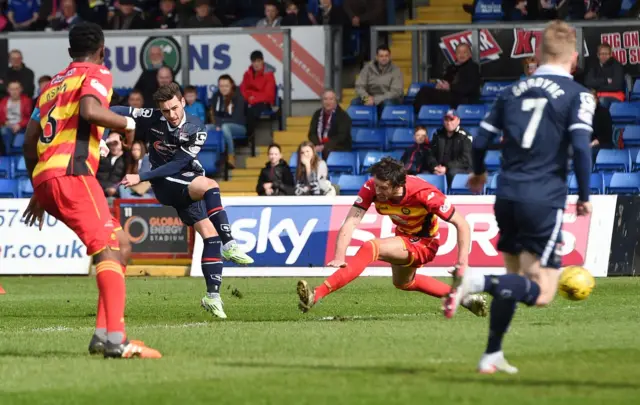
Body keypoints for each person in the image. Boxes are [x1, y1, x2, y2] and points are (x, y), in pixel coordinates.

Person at [450, 21, 594, 374]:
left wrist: (479, 172)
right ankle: (475, 282)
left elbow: (480, 141)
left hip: (507, 195)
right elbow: (580, 147)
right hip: (542, 199)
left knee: (512, 280)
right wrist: (585, 195)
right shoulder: (578, 95)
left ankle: (491, 354)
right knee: (542, 293)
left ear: (539, 54)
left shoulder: (511, 91)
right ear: (573, 58)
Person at [21, 22, 161, 359]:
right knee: (109, 250)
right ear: (102, 49)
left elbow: (29, 142)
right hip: (74, 174)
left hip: (48, 177)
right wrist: (129, 124)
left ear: (69, 52)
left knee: (122, 245)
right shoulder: (97, 72)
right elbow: (90, 110)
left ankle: (102, 335)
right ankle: (117, 341)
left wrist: (40, 188)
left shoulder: (52, 85)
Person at [111, 83, 254, 319]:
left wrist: (140, 175)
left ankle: (212, 296)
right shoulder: (153, 116)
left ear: (183, 103)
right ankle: (230, 244)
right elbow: (120, 111)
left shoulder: (196, 128)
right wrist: (96, 116)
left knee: (210, 236)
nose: (172, 115)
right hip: (164, 183)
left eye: (175, 108)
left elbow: (178, 164)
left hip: (182, 177)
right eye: (166, 111)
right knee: (211, 186)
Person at [297, 157, 487, 315]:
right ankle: (463, 297)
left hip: (424, 243)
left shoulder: (424, 194)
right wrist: (339, 255)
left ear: (397, 185)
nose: (376, 190)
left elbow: (462, 224)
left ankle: (316, 294)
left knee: (371, 247)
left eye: (382, 187)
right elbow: (351, 222)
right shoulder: (372, 186)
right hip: (403, 236)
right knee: (404, 283)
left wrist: (462, 264)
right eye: (376, 185)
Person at [426, 109, 473, 187]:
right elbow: (430, 154)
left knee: (451, 172)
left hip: (461, 169)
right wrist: (435, 166)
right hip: (439, 169)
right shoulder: (437, 134)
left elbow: (465, 159)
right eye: (446, 120)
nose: (448, 122)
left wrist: (446, 168)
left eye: (452, 119)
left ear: (458, 121)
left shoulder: (465, 136)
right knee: (424, 174)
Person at [210, 74, 247, 168]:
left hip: (239, 127)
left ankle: (231, 156)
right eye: (221, 86)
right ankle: (208, 156)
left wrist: (220, 124)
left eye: (226, 86)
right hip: (220, 125)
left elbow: (236, 119)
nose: (223, 88)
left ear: (231, 85)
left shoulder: (239, 97)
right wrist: (218, 125)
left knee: (225, 127)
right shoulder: (216, 97)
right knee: (206, 128)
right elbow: (214, 115)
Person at [354, 45, 404, 112]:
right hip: (368, 98)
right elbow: (359, 86)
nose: (384, 58)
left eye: (386, 56)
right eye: (381, 56)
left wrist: (375, 99)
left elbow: (396, 92)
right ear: (377, 57)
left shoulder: (396, 70)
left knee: (387, 104)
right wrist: (366, 98)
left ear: (390, 57)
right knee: (355, 103)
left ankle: (385, 122)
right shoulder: (367, 68)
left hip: (388, 99)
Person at [307, 89, 352, 160]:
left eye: (331, 99)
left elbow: (341, 137)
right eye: (325, 99)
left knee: (327, 150)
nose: (328, 102)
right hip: (319, 145)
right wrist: (317, 145)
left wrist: (324, 146)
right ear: (322, 101)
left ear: (335, 101)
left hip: (338, 147)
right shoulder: (317, 114)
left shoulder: (343, 116)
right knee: (305, 150)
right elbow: (311, 133)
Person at [0, 80, 32, 155]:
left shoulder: (26, 101)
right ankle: (7, 154)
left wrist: (19, 125)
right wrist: (5, 122)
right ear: (8, 90)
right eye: (12, 89)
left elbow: (29, 118)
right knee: (4, 130)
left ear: (21, 89)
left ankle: (8, 154)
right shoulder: (3, 102)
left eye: (16, 89)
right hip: (7, 126)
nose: (14, 91)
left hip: (22, 127)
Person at [96, 131, 127, 198]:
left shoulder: (127, 159)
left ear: (122, 143)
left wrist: (115, 188)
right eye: (111, 144)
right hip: (100, 191)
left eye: (116, 144)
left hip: (117, 194)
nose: (113, 147)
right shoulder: (102, 157)